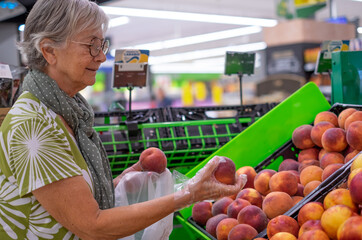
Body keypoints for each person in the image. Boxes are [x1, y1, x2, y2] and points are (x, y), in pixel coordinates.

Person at [0, 0, 246, 239]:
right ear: (49, 51)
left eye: (102, 45)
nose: (101, 57)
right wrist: (189, 195)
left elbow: (77, 198)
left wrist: (128, 177)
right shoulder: (33, 125)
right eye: (91, 46)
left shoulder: (68, 112)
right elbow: (91, 226)